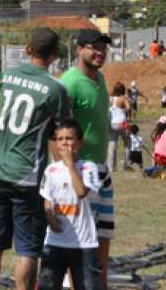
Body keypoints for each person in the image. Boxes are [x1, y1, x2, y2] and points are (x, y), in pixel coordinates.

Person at [0, 28, 71, 290]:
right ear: (55, 55)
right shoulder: (56, 89)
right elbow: (61, 131)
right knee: (27, 249)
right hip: (26, 173)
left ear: (27, 50)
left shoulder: (8, 76)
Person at [60, 29, 114, 281]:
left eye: (103, 48)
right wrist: (68, 168)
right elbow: (59, 131)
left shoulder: (100, 79)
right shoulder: (69, 83)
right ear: (79, 48)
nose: (100, 53)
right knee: (81, 236)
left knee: (104, 232)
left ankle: (99, 283)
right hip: (81, 168)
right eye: (94, 47)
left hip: (102, 168)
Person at [37, 119, 102, 290]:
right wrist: (50, 216)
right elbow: (47, 200)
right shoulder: (51, 170)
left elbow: (81, 192)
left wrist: (71, 166)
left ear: (79, 142)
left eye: (69, 138)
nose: (64, 142)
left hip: (84, 244)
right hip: (55, 241)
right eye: (60, 139)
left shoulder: (88, 167)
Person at [107, 98, 127, 172]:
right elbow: (129, 107)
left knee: (112, 146)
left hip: (112, 124)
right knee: (128, 143)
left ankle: (111, 167)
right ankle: (126, 165)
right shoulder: (123, 98)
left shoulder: (110, 98)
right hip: (122, 123)